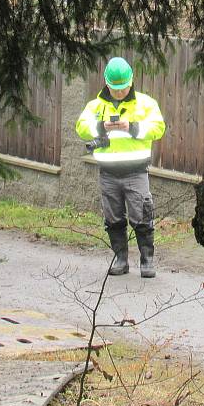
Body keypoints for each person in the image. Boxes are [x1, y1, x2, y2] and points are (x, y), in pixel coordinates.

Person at [76, 57, 166, 277]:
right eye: (115, 89)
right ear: (107, 83)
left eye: (123, 88)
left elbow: (158, 127)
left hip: (136, 172)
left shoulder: (146, 103)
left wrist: (132, 127)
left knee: (142, 216)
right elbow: (81, 127)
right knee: (113, 219)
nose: (119, 92)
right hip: (108, 173)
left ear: (131, 81)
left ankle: (147, 261)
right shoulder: (96, 106)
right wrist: (101, 126)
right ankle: (121, 259)